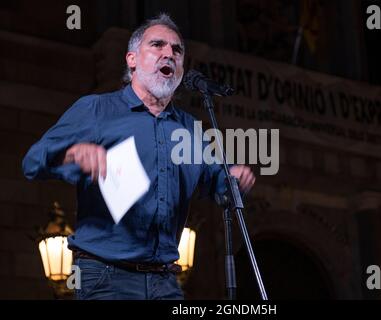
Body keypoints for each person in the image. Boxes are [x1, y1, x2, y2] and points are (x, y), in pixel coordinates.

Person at [22, 13, 255, 300]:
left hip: (165, 280)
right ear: (131, 59)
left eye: (177, 50)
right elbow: (32, 161)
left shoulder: (189, 130)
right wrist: (72, 154)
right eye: (157, 45)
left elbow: (215, 180)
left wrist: (233, 178)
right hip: (106, 276)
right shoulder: (97, 110)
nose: (169, 53)